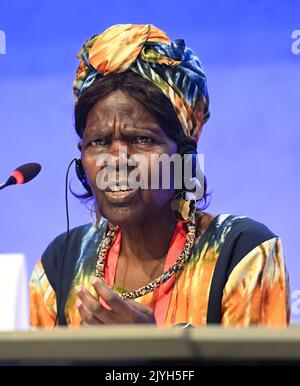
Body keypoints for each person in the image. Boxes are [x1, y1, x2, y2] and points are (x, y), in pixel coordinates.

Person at [30, 24, 290, 328]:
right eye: (98, 142)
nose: (117, 161)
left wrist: (154, 351)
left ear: (183, 156)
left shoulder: (241, 253)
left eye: (142, 140)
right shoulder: (60, 265)